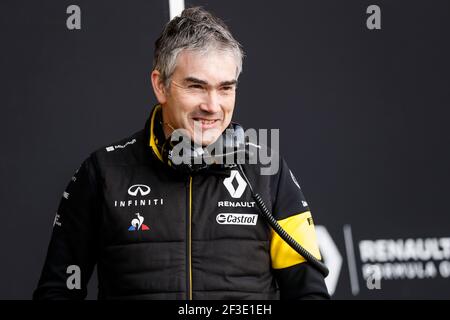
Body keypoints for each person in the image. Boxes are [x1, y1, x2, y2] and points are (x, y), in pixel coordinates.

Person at [33, 6, 330, 300]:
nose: (213, 106)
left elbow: (309, 293)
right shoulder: (103, 172)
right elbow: (58, 290)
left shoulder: (267, 171)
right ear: (160, 86)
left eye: (225, 88)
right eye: (196, 87)